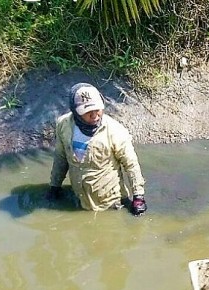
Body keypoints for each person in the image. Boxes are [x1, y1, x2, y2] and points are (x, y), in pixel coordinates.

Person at [46, 83, 148, 215]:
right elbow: (60, 157)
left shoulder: (115, 131)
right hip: (78, 200)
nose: (94, 115)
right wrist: (55, 186)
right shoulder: (63, 125)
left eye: (97, 109)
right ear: (75, 111)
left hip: (111, 204)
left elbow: (131, 164)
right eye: (87, 111)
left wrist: (138, 197)